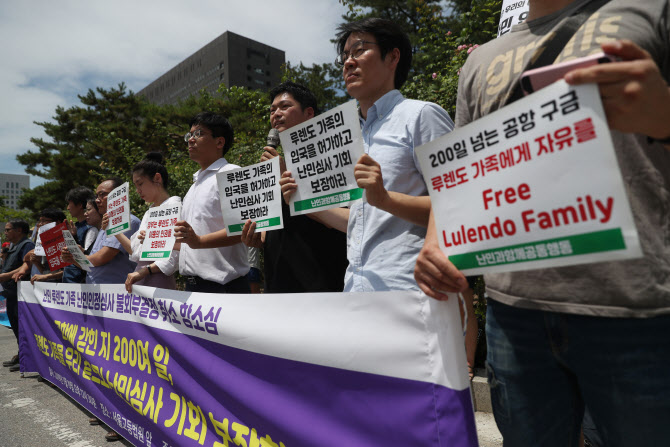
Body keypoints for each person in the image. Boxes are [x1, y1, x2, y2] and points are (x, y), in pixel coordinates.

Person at [414, 1, 670, 445]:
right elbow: (459, 174)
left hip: (638, 306)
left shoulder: (651, 9)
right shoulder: (479, 60)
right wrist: (437, 242)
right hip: (513, 316)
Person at [280, 19, 454, 292]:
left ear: (393, 56)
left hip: (411, 290)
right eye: (345, 55)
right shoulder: (351, 138)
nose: (348, 62)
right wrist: (301, 200)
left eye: (359, 50)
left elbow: (459, 205)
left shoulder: (421, 115)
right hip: (357, 289)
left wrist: (385, 198)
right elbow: (360, 221)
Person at [242, 82, 348, 293]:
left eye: (284, 106)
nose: (276, 114)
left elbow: (341, 220)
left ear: (309, 113)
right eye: (272, 110)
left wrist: (285, 176)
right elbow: (273, 229)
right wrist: (256, 238)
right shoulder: (273, 165)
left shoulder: (331, 155)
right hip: (278, 286)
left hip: (319, 286)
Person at [174, 112, 250, 293]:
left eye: (198, 134)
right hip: (193, 286)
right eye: (189, 135)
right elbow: (190, 243)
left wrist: (199, 241)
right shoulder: (193, 186)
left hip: (225, 287)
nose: (191, 140)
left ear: (219, 142)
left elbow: (242, 227)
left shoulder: (231, 173)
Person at [104, 153, 180, 293]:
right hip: (140, 277)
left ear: (157, 178)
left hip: (157, 279)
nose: (138, 190)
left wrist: (144, 271)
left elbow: (174, 256)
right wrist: (113, 229)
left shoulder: (173, 206)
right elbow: (135, 250)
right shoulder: (149, 212)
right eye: (135, 185)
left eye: (140, 184)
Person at [63, 177, 141, 285]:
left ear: (119, 194)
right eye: (97, 196)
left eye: (102, 194)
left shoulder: (128, 222)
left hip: (115, 294)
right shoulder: (107, 224)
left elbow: (99, 259)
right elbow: (91, 262)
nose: (97, 200)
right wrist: (76, 256)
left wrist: (74, 258)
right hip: (99, 294)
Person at [0, 220, 35, 373]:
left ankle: (27, 358)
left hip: (20, 292)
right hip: (11, 293)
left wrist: (6, 276)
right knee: (15, 325)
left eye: (8, 230)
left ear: (19, 230)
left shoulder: (27, 245)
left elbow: (26, 266)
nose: (5, 232)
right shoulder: (14, 245)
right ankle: (21, 354)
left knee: (22, 326)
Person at [62, 186, 97, 283]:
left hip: (79, 283)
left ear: (80, 205)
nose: (68, 207)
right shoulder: (74, 227)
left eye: (70, 203)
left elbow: (88, 258)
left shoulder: (91, 229)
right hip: (68, 280)